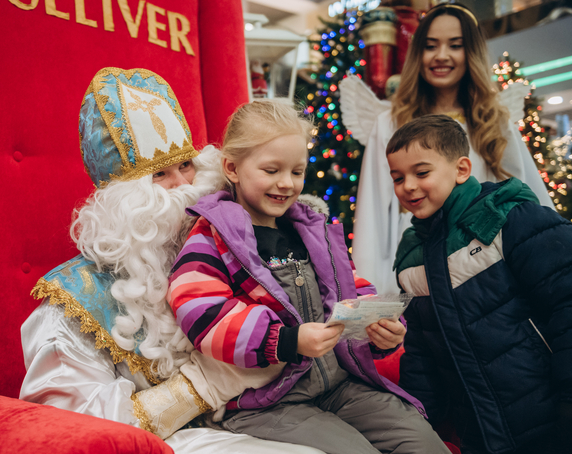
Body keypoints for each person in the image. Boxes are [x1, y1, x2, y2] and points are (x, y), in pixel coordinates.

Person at [20, 67, 322, 454]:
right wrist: (200, 387)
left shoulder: (230, 246)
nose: (184, 187)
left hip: (264, 414)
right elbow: (66, 433)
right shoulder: (72, 304)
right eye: (160, 174)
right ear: (122, 199)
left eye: (186, 165)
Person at [168, 99, 451, 454]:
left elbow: (350, 286)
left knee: (425, 443)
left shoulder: (311, 228)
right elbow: (201, 310)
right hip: (267, 401)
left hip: (339, 383)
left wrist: (379, 329)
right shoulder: (212, 234)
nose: (286, 184)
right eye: (271, 170)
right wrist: (286, 339)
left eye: (297, 172)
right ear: (233, 168)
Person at [388, 114, 572, 454]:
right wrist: (416, 420)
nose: (408, 186)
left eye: (421, 172)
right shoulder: (412, 256)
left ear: (461, 169)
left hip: (550, 418)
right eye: (398, 178)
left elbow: (566, 306)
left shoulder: (511, 218)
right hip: (479, 430)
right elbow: (421, 351)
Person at [343, 2, 554, 294]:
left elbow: (530, 197)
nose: (441, 56)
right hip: (420, 273)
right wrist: (373, 294)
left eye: (455, 45)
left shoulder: (493, 120)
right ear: (418, 53)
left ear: (471, 53)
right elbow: (373, 213)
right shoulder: (391, 122)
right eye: (431, 46)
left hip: (488, 274)